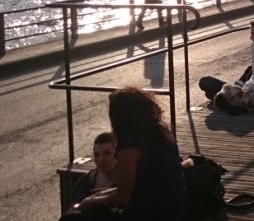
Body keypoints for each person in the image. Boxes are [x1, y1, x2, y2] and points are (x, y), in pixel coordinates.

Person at [69, 87, 188, 220]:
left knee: (80, 214)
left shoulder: (129, 146)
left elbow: (122, 197)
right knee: (94, 194)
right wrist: (96, 196)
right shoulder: (161, 133)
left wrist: (89, 202)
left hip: (152, 212)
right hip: (174, 207)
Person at [68, 132, 119, 211]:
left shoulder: (126, 181)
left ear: (117, 154)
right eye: (96, 155)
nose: (101, 159)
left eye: (107, 153)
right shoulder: (88, 179)